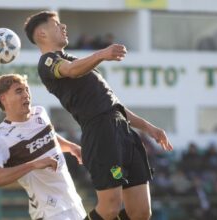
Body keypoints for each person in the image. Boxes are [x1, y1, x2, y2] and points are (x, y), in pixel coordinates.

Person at [24, 11, 173, 220]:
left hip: (123, 131)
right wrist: (101, 54)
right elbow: (70, 70)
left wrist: (149, 128)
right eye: (56, 24)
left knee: (141, 212)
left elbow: (114, 105)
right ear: (41, 34)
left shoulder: (78, 61)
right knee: (110, 207)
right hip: (100, 132)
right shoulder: (48, 62)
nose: (63, 27)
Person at [0, 74, 86, 220]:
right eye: (19, 91)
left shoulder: (40, 113)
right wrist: (33, 165)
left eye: (26, 89)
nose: (26, 95)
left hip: (73, 203)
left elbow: (49, 136)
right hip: (49, 213)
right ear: (3, 99)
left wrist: (71, 147)